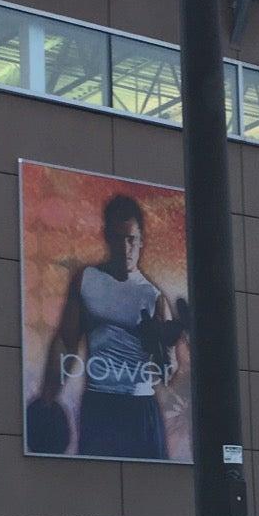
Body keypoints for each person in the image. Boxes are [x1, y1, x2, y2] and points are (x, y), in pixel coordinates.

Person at [36, 193, 186, 460]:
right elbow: (66, 343)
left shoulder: (151, 296)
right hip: (100, 403)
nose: (126, 248)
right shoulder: (88, 280)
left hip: (140, 410)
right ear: (107, 237)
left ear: (141, 241)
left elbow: (168, 372)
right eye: (118, 238)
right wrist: (48, 398)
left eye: (132, 240)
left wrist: (163, 345)